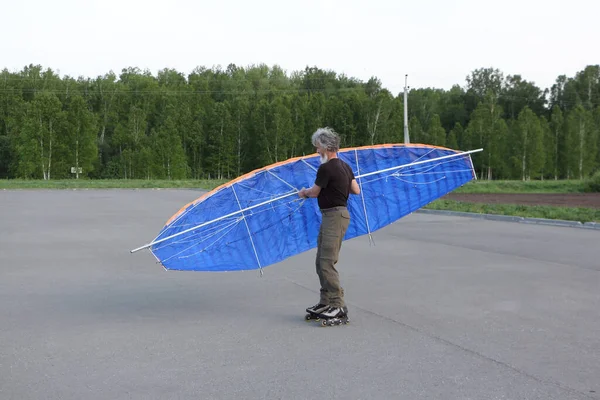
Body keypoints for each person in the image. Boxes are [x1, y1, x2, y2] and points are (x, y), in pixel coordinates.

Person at [298, 127, 360, 321]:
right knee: (320, 261)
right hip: (335, 216)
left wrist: (303, 192)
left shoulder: (326, 168)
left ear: (326, 147)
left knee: (326, 261)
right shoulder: (345, 166)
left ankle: (337, 305)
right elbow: (356, 190)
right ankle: (325, 302)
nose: (317, 152)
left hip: (334, 216)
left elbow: (314, 192)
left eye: (317, 148)